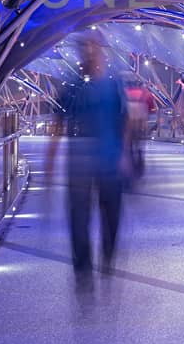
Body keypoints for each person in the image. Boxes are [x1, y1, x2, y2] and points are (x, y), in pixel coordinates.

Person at [50, 39, 128, 274]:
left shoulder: (113, 86)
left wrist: (124, 153)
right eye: (87, 53)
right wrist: (51, 158)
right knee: (81, 214)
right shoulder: (74, 87)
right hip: (83, 162)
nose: (90, 57)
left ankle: (107, 252)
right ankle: (83, 264)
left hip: (108, 160)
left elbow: (124, 120)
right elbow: (58, 123)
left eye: (93, 52)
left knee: (109, 212)